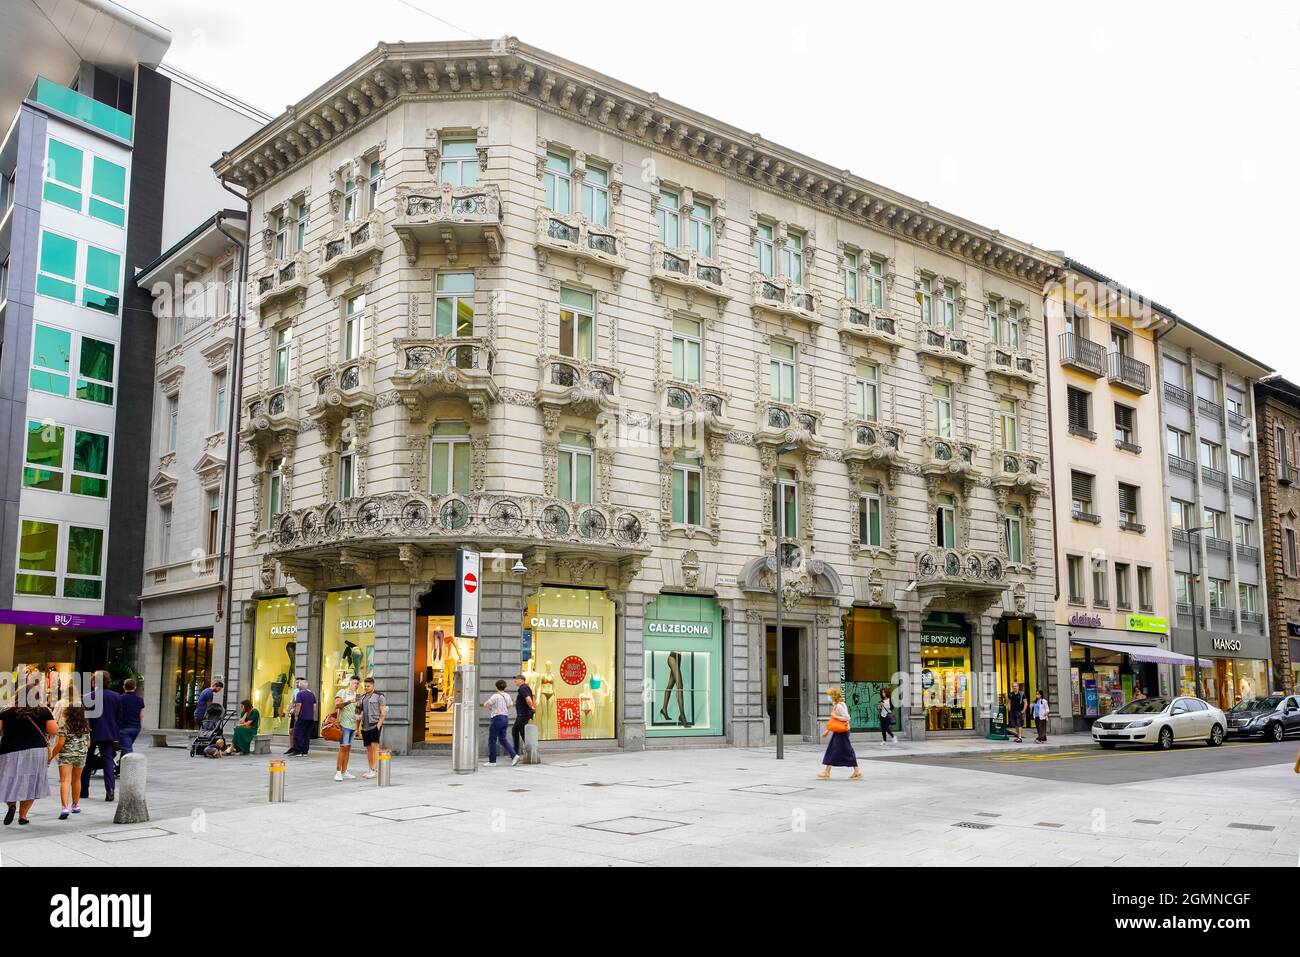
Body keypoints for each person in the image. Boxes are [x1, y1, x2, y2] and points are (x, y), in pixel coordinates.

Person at [0, 677, 58, 825]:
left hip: (9, 751)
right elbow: (53, 730)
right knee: (31, 780)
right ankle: (23, 816)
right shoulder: (43, 711)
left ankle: (11, 805)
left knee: (8, 779)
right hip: (36, 751)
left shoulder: (6, 712)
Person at [48, 699, 91, 820]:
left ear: (68, 713)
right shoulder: (85, 726)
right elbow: (88, 744)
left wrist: (52, 756)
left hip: (66, 755)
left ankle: (64, 807)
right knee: (77, 780)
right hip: (81, 755)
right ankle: (76, 805)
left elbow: (60, 743)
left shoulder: (64, 726)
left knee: (65, 781)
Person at [82, 671, 120, 802]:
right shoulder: (116, 697)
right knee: (108, 760)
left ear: (94, 682)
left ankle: (84, 790)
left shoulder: (88, 697)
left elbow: (85, 717)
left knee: (86, 761)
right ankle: (110, 789)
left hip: (91, 732)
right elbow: (119, 717)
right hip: (108, 733)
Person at [817, 688, 862, 781]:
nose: (828, 697)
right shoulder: (837, 705)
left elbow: (847, 718)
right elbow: (834, 721)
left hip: (842, 732)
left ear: (833, 696)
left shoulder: (839, 706)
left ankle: (856, 771)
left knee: (845, 750)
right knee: (833, 749)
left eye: (829, 695)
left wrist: (836, 716)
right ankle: (827, 772)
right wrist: (828, 730)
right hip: (839, 731)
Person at [356, 677, 387, 779]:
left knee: (375, 748)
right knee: (368, 749)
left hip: (374, 725)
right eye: (365, 686)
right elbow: (358, 713)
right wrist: (357, 728)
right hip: (365, 726)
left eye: (368, 686)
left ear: (373, 686)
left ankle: (375, 770)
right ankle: (371, 769)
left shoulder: (379, 696)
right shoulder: (362, 697)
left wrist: (378, 726)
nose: (366, 687)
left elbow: (383, 713)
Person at [333, 676, 360, 781]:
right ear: (349, 683)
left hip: (353, 725)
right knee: (342, 748)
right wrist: (350, 701)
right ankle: (338, 772)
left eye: (357, 683)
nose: (356, 685)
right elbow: (337, 705)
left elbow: (358, 711)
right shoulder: (342, 692)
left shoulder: (357, 695)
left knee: (348, 749)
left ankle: (345, 771)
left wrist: (357, 727)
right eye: (354, 683)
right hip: (344, 724)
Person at [286, 678, 315, 756]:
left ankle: (298, 751)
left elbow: (298, 705)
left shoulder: (300, 694)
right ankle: (305, 752)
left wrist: (296, 715)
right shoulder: (312, 694)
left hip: (302, 717)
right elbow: (314, 706)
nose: (297, 684)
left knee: (298, 734)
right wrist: (312, 714)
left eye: (298, 683)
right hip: (310, 718)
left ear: (300, 686)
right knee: (306, 735)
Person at [117, 679, 145, 755]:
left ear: (124, 687)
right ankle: (121, 766)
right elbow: (141, 715)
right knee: (126, 747)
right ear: (135, 687)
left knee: (127, 750)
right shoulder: (140, 700)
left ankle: (128, 765)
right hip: (136, 728)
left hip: (124, 728)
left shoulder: (119, 699)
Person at [511, 674, 536, 757]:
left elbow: (528, 699)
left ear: (521, 680)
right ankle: (528, 751)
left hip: (523, 714)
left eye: (516, 679)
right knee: (520, 732)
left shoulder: (522, 688)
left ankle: (517, 753)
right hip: (524, 714)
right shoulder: (526, 687)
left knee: (517, 731)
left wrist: (531, 707)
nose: (515, 681)